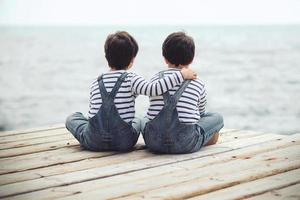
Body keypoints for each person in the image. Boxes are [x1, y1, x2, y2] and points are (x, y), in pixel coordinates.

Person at [65, 31, 197, 152]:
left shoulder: (96, 81)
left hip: (93, 141)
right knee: (139, 119)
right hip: (124, 141)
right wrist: (181, 75)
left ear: (106, 57)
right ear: (132, 60)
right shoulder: (132, 79)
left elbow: (94, 113)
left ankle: (90, 134)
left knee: (73, 117)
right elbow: (153, 89)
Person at [141, 32, 224, 154]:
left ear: (165, 58)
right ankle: (205, 139)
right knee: (217, 117)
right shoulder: (197, 82)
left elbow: (154, 107)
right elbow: (200, 115)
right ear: (191, 59)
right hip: (186, 143)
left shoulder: (155, 80)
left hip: (154, 142)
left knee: (144, 118)